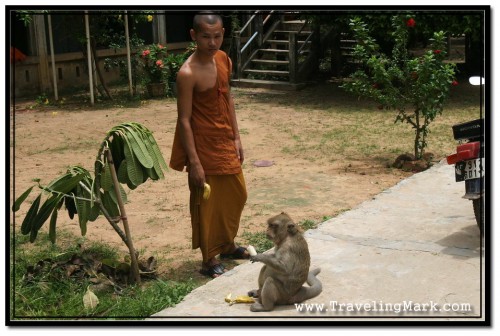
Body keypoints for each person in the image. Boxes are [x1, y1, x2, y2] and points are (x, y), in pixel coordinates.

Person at [169, 13, 249, 278]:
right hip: (202, 145)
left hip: (224, 139)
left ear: (223, 33)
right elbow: (184, 120)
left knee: (237, 195)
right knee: (208, 202)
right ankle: (209, 258)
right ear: (194, 36)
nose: (212, 42)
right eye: (206, 37)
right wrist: (194, 163)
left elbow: (228, 98)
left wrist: (236, 136)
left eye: (217, 36)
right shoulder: (187, 73)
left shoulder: (224, 59)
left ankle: (227, 245)